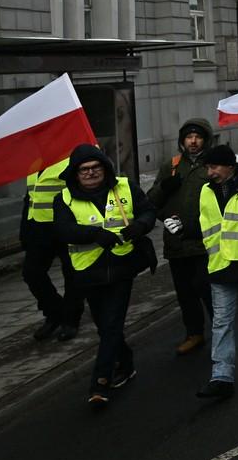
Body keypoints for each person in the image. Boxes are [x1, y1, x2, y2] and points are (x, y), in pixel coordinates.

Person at [168, 145, 238, 399]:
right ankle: (222, 376)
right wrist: (183, 230)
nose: (210, 172)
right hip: (220, 266)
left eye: (214, 167)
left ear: (230, 166)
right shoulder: (206, 191)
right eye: (208, 167)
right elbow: (206, 225)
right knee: (221, 323)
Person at [53, 143, 156, 407]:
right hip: (88, 271)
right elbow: (63, 231)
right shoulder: (63, 198)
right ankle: (127, 361)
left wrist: (141, 225)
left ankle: (100, 383)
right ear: (75, 174)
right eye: (83, 170)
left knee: (112, 325)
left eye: (95, 167)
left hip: (122, 267)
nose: (90, 173)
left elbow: (148, 210)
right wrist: (95, 234)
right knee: (105, 327)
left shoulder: (124, 186)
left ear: (104, 167)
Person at [147, 118, 215, 356]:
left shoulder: (212, 164)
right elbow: (151, 202)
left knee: (208, 289)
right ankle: (194, 333)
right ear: (182, 141)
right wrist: (164, 191)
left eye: (197, 137)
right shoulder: (172, 166)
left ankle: (221, 331)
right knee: (185, 293)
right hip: (177, 244)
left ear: (205, 139)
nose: (193, 141)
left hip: (205, 242)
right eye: (188, 137)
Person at [21, 154, 84, 343]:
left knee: (72, 274)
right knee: (31, 273)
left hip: (65, 224)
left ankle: (71, 320)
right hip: (39, 227)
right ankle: (55, 312)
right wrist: (25, 229)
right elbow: (30, 197)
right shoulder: (34, 162)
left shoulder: (70, 161)